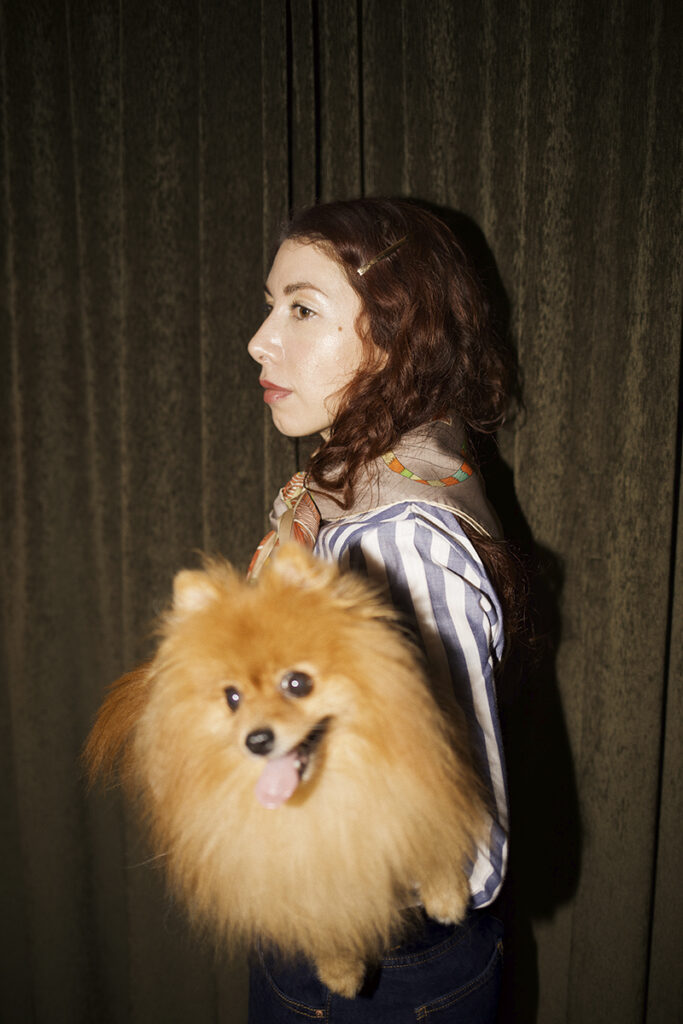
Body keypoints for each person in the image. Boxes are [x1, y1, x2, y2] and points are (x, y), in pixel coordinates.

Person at [245, 197, 518, 1023]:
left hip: (381, 967)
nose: (260, 340)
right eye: (270, 306)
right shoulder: (376, 470)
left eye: (302, 308)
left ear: (395, 338)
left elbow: (469, 850)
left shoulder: (396, 535)